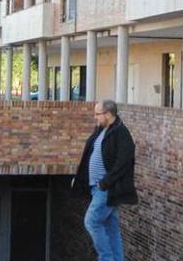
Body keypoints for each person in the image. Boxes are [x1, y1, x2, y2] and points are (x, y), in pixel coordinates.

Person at [73, 100, 138, 261]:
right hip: (97, 188)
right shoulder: (101, 130)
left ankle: (106, 258)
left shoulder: (120, 132)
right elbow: (89, 154)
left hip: (106, 189)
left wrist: (105, 183)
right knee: (110, 227)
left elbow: (124, 161)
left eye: (98, 114)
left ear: (108, 114)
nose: (95, 117)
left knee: (92, 221)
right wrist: (79, 177)